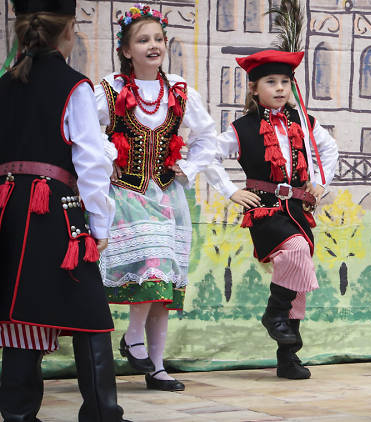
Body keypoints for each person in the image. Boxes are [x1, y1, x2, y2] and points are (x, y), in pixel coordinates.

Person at [94, 3, 253, 391]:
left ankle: (157, 366)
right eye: (143, 40)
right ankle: (133, 337)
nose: (153, 45)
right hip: (126, 194)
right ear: (126, 50)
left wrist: (199, 171)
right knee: (151, 266)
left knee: (162, 282)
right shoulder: (110, 88)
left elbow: (206, 141)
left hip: (166, 194)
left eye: (159, 39)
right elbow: (87, 134)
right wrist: (108, 155)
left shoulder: (180, 91)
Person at [0, 0, 129, 420]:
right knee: (89, 308)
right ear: (69, 31)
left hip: (7, 208)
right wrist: (100, 221)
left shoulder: (3, 85)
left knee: (22, 308)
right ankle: (101, 412)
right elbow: (91, 162)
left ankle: (18, 414)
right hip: (54, 208)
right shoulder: (75, 86)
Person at [215, 50, 338, 379]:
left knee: (299, 274)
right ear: (254, 88)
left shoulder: (303, 121)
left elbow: (328, 149)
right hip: (266, 210)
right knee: (296, 251)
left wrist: (320, 183)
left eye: (285, 81)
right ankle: (274, 314)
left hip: (297, 209)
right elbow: (209, 154)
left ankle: (288, 356)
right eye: (271, 82)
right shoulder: (242, 127)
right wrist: (230, 190)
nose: (280, 88)